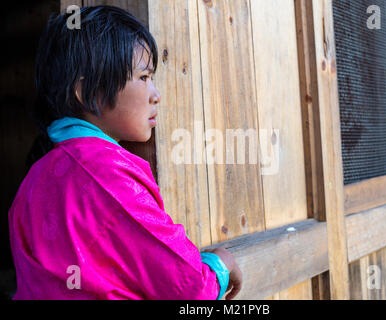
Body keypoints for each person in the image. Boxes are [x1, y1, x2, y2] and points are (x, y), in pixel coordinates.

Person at [9, 5, 242, 300]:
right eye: (144, 78)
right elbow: (190, 288)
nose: (156, 94)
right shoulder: (108, 174)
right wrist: (221, 264)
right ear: (88, 93)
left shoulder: (30, 183)